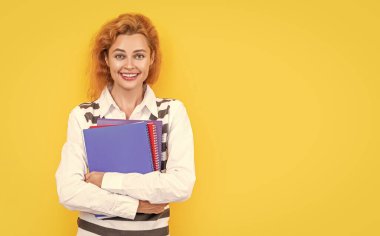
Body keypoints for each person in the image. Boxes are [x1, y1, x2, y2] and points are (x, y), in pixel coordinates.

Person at [55, 13, 196, 236]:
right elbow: (69, 191)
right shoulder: (83, 116)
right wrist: (134, 206)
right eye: (120, 56)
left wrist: (105, 180)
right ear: (106, 59)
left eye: (139, 56)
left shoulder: (171, 112)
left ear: (151, 59)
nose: (129, 65)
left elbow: (180, 185)